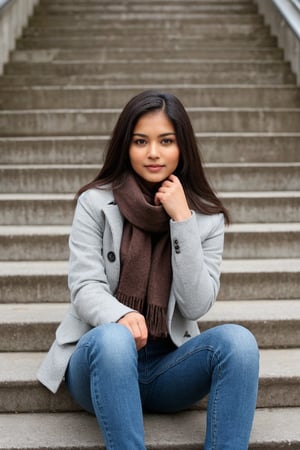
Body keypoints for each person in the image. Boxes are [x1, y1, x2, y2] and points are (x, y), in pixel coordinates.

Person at [37, 90, 259, 449]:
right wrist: (122, 315)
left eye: (166, 141)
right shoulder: (95, 203)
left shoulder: (206, 218)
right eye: (141, 141)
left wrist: (183, 219)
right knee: (114, 338)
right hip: (99, 364)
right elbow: (84, 287)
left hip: (167, 368)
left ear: (182, 147)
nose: (153, 153)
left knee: (240, 343)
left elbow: (196, 305)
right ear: (126, 146)